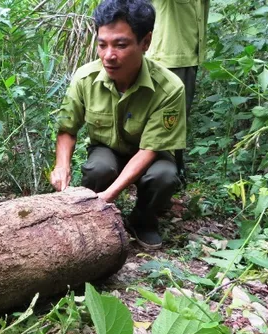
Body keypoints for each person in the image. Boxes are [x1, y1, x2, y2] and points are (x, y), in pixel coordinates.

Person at [50, 0, 186, 249]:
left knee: (165, 175)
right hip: (107, 149)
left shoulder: (169, 88)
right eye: (102, 45)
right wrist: (62, 166)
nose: (108, 55)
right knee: (98, 169)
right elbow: (67, 129)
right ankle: (92, 219)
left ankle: (142, 220)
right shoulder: (85, 78)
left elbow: (150, 149)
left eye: (120, 45)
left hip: (149, 155)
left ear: (145, 42)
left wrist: (109, 195)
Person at [146, 0, 210, 180]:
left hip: (190, 56)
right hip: (167, 58)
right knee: (167, 119)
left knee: (179, 118)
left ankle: (174, 169)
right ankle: (160, 175)